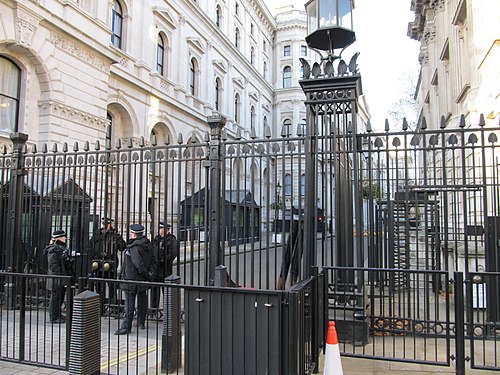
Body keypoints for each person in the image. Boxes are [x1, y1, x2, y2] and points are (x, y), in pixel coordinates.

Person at [115, 224, 153, 335]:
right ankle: (141, 322)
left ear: (135, 234)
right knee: (142, 299)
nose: (130, 235)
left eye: (131, 233)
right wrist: (149, 275)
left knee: (129, 304)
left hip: (132, 278)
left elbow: (138, 264)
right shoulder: (147, 244)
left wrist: (145, 273)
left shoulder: (135, 247)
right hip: (141, 279)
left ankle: (126, 327)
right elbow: (152, 259)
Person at [87, 218, 126, 312]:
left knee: (112, 285)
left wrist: (117, 242)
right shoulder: (97, 234)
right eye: (104, 223)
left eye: (107, 224)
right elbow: (90, 247)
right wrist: (93, 258)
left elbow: (122, 247)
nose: (105, 226)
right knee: (99, 285)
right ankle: (100, 306)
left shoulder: (115, 235)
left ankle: (113, 307)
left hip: (111, 263)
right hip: (98, 263)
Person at [44, 230, 72, 323]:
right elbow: (54, 265)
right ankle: (54, 317)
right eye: (64, 237)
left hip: (60, 277)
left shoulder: (59, 249)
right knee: (55, 297)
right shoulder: (53, 250)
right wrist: (60, 277)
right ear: (59, 238)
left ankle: (58, 314)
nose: (65, 238)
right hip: (56, 278)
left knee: (59, 297)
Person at [150, 222, 178, 310]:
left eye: (160, 229)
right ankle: (154, 309)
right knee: (154, 291)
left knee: (166, 291)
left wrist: (162, 261)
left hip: (165, 270)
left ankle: (168, 310)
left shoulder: (171, 239)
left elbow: (172, 254)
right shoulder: (156, 239)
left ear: (166, 230)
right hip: (155, 270)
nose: (159, 230)